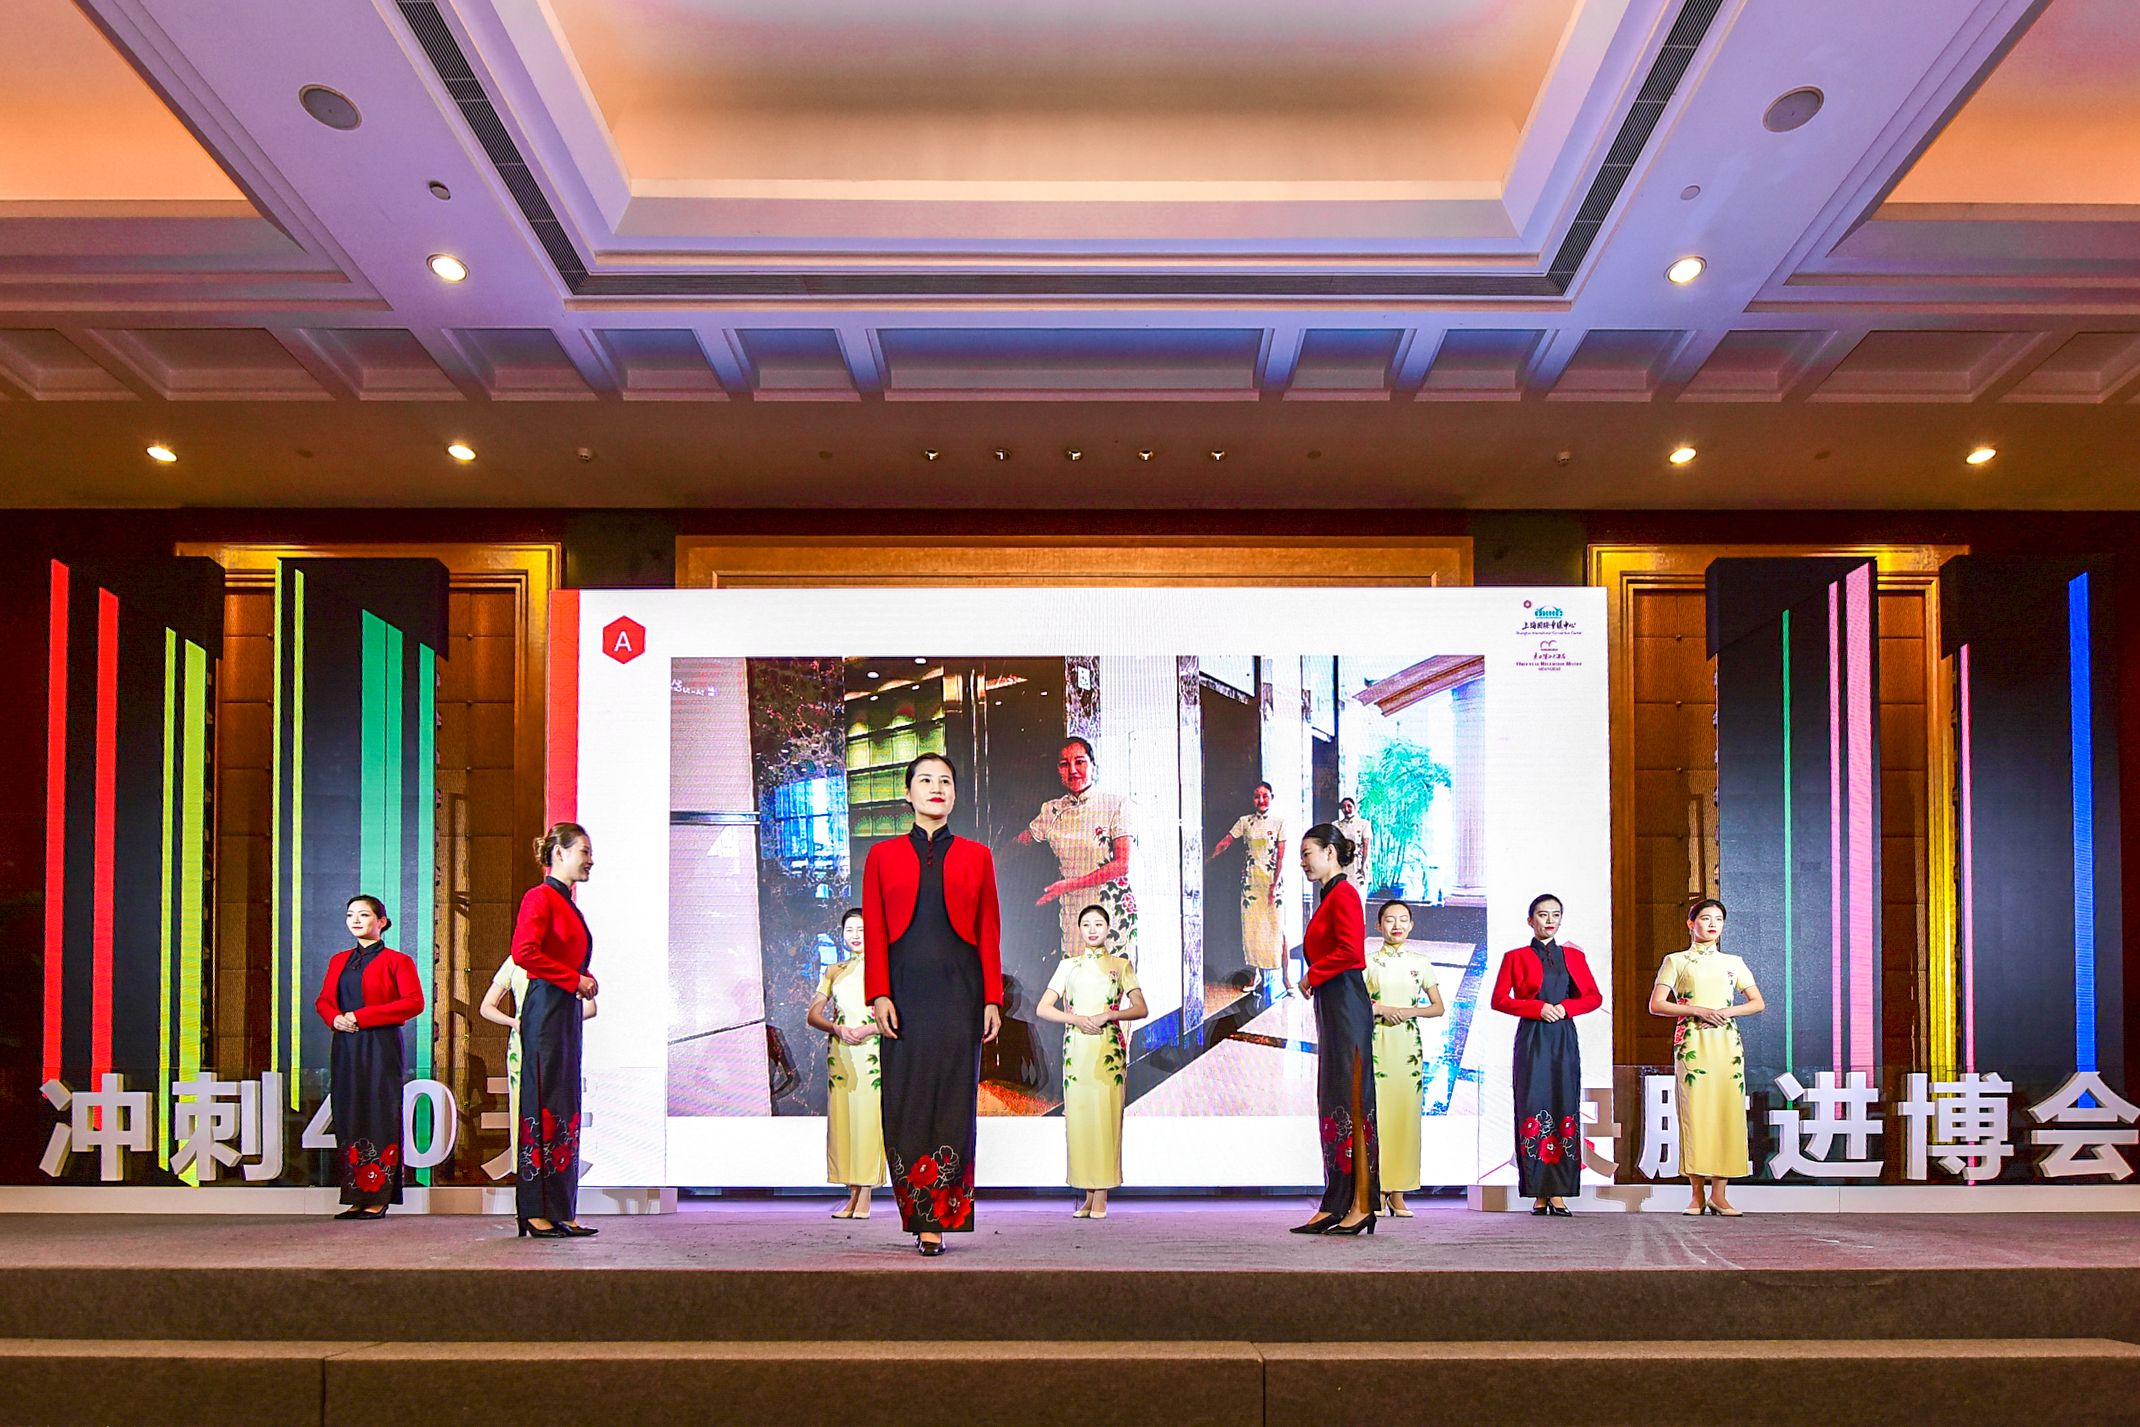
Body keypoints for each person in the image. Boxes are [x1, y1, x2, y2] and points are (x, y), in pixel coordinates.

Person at [864, 753, 1005, 1257]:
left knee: (953, 1103)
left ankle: (938, 1221)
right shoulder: (881, 856)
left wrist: (992, 998)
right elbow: (875, 929)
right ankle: (916, 1212)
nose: (936, 787)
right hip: (903, 994)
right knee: (905, 1101)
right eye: (925, 780)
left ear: (954, 794)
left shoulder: (977, 856)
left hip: (959, 995)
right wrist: (879, 992)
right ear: (908, 793)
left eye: (945, 780)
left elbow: (989, 931)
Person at [509, 822, 600, 1239]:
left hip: (562, 1008)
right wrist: (573, 978)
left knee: (563, 1104)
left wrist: (581, 979)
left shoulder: (566, 902)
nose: (590, 860)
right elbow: (524, 953)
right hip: (546, 1008)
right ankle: (534, 1210)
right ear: (559, 854)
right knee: (544, 1101)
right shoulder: (540, 897)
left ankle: (560, 1208)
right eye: (584, 851)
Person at [1648, 898, 1764, 1216]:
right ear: (1691, 923)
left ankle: (1720, 1195)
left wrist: (1726, 1011)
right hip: (1693, 1042)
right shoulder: (1676, 961)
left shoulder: (1733, 962)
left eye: (1718, 919)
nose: (1712, 924)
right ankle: (1697, 1195)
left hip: (1726, 1044)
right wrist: (1697, 1010)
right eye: (1705, 918)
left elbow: (1757, 1002)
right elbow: (1657, 1004)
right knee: (1696, 1113)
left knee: (1727, 1113)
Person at [1491, 894, 1603, 1217]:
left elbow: (1593, 997)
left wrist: (1566, 1008)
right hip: (1532, 1036)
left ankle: (1560, 1192)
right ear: (1531, 920)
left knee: (1564, 1101)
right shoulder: (1515, 957)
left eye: (1555, 914)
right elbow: (1499, 999)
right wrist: (1537, 1008)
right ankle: (1538, 1193)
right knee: (1532, 1102)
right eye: (1543, 914)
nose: (1549, 920)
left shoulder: (1574, 957)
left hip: (1563, 1036)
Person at [1291, 823, 1377, 1236]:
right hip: (1333, 1001)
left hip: (1345, 1001)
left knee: (1353, 1100)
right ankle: (1336, 1201)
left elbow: (1351, 951)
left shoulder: (1344, 894)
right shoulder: (1329, 894)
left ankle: (1361, 1204)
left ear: (1330, 852)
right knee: (1336, 1098)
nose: (1302, 862)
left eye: (1307, 853)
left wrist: (1312, 975)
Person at [314, 895, 424, 1220]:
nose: (356, 920)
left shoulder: (397, 961)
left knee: (379, 1111)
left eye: (364, 915)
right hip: (346, 1044)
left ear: (382, 922)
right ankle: (355, 1195)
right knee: (348, 1112)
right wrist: (335, 1019)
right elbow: (323, 1001)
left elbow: (413, 1003)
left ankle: (378, 1196)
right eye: (351, 915)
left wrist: (361, 1017)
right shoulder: (339, 961)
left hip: (380, 1044)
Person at [1036, 904, 1149, 1219]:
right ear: (1079, 930)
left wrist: (1109, 1014)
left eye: (1098, 924)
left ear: (1108, 928)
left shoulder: (1120, 966)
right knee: (1080, 1120)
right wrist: (1076, 1019)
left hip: (1107, 1050)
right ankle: (1088, 1194)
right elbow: (1043, 1008)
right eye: (1086, 924)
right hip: (1076, 1051)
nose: (1092, 929)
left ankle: (1102, 1195)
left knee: (1106, 1119)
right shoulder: (1067, 966)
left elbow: (1141, 1008)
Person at [479, 949, 595, 1184]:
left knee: (557, 1105)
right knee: (522, 1105)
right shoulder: (516, 960)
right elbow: (486, 1006)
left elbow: (591, 1007)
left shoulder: (566, 958)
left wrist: (557, 1022)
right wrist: (515, 1022)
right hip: (522, 1044)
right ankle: (525, 1170)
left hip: (557, 1043)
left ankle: (557, 1168)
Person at [1018, 737, 1137, 963]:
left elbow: (1122, 865)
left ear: (1093, 765)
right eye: (1064, 764)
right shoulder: (1052, 810)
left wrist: (1069, 885)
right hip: (1073, 911)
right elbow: (1022, 842)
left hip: (1111, 910)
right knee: (1076, 979)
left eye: (1080, 762)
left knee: (1110, 980)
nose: (1072, 770)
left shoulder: (1116, 805)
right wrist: (989, 857)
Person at [1365, 899, 1444, 1217]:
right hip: (1377, 1043)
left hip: (1409, 1047)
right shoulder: (1368, 962)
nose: (1396, 925)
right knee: (1379, 1116)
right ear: (1378, 925)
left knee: (1405, 1118)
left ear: (1411, 925)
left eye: (1402, 919)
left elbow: (1438, 1007)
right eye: (1389, 919)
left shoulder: (1420, 962)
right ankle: (1378, 1190)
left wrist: (1411, 1012)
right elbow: (1357, 1004)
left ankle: (1399, 1192)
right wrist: (1383, 1009)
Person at [805, 908, 885, 1219]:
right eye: (849, 930)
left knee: (869, 1121)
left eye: (862, 929)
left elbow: (898, 1016)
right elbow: (813, 1015)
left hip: (872, 1052)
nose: (855, 935)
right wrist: (836, 1029)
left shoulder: (884, 969)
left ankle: (865, 1195)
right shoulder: (833, 971)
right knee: (844, 1122)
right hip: (841, 1054)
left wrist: (869, 1029)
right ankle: (851, 1194)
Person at [1208, 781, 1289, 995]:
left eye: (1265, 796)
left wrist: (1275, 885)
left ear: (1271, 797)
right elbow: (1226, 841)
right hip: (1251, 885)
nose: (1261, 800)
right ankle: (1255, 975)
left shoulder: (1279, 822)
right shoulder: (1245, 822)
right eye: (1257, 796)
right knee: (1252, 930)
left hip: (1272, 884)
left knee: (1277, 929)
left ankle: (1286, 978)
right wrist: (1209, 858)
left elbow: (1281, 857)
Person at [1334, 796, 1373, 896]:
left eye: (1349, 806)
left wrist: (1364, 865)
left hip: (1357, 863)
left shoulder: (1364, 824)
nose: (1346, 809)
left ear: (1355, 807)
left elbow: (1366, 845)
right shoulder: (1336, 825)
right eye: (1343, 807)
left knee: (1358, 893)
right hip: (1342, 864)